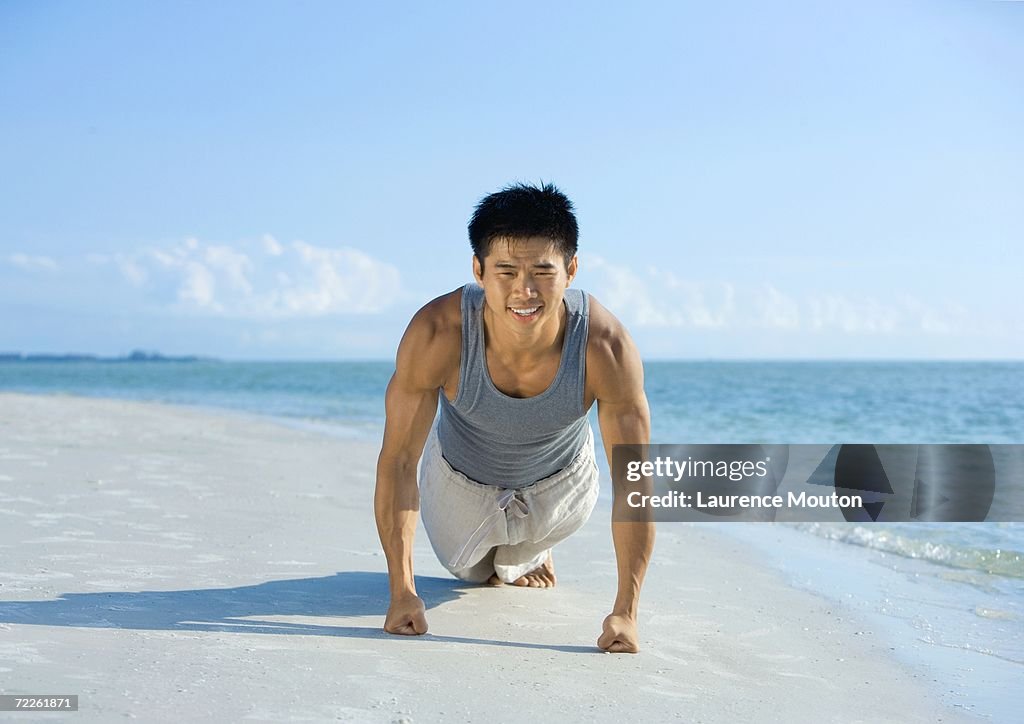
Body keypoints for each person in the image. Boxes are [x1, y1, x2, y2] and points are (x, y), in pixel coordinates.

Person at [373, 182, 654, 653]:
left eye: (543, 271)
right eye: (506, 271)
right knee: (472, 571)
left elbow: (635, 482)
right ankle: (516, 550)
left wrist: (626, 613)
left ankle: (529, 546)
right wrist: (402, 592)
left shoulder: (606, 346)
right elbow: (399, 460)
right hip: (460, 478)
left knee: (513, 558)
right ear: (479, 271)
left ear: (571, 270)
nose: (524, 290)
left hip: (561, 481)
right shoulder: (438, 333)